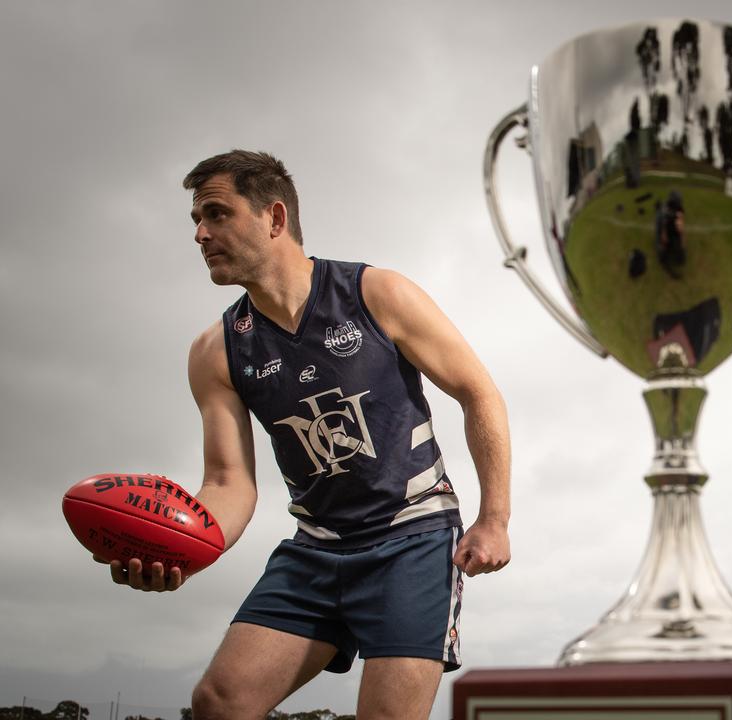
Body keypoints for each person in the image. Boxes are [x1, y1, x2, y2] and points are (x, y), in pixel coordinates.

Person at [102, 150, 512, 718]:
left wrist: (494, 518)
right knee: (219, 701)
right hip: (317, 547)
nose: (199, 233)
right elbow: (228, 482)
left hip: (412, 540)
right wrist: (180, 551)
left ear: (274, 218)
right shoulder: (215, 351)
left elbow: (479, 392)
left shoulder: (378, 293)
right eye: (196, 219)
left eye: (216, 214)